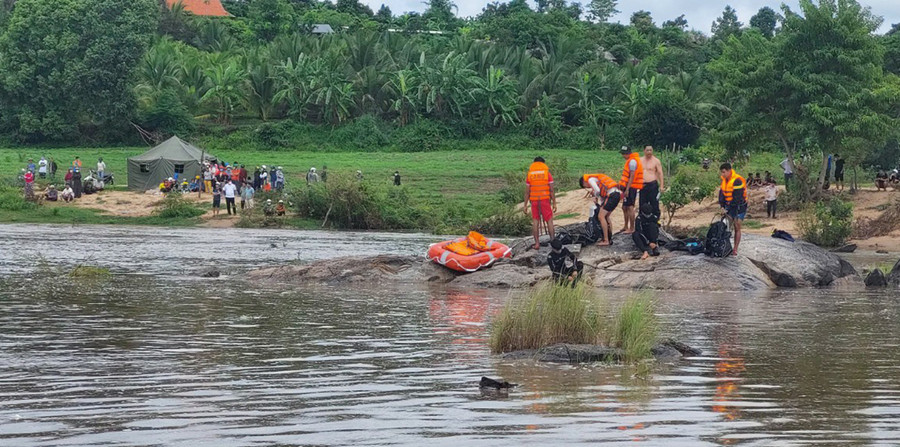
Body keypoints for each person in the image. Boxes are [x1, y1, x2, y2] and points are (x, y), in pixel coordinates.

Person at [524, 156, 556, 250]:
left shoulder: (530, 175)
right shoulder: (547, 174)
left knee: (535, 221)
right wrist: (554, 202)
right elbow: (551, 190)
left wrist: (525, 205)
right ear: (543, 163)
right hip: (545, 200)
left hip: (534, 200)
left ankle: (537, 244)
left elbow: (527, 192)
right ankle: (553, 241)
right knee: (549, 220)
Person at [580, 173, 620, 246]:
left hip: (611, 195)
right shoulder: (597, 180)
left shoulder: (590, 179)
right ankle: (609, 236)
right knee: (606, 216)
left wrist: (595, 196)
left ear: (584, 182)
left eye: (585, 186)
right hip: (616, 194)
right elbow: (602, 196)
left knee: (601, 217)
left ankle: (606, 240)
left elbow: (597, 190)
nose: (588, 186)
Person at [719, 163, 748, 256]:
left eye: (724, 172)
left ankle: (735, 249)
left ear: (729, 170)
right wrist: (722, 206)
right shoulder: (724, 181)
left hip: (739, 206)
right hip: (728, 205)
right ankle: (725, 247)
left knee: (737, 226)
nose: (722, 174)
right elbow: (722, 194)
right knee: (725, 225)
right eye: (721, 172)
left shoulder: (738, 180)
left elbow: (737, 198)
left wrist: (728, 210)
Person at [619, 146, 644, 235]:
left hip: (631, 187)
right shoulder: (630, 161)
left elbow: (632, 176)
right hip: (628, 187)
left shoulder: (632, 161)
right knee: (624, 207)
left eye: (623, 154)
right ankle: (626, 226)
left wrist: (627, 189)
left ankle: (632, 228)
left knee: (630, 207)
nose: (623, 155)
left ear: (628, 153)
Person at [640, 145, 663, 219]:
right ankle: (642, 222)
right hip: (642, 185)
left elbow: (660, 173)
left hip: (652, 185)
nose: (649, 152)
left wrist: (662, 185)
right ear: (644, 151)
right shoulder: (640, 160)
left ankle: (656, 222)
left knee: (654, 204)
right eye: (647, 150)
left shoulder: (656, 161)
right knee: (642, 204)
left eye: (650, 150)